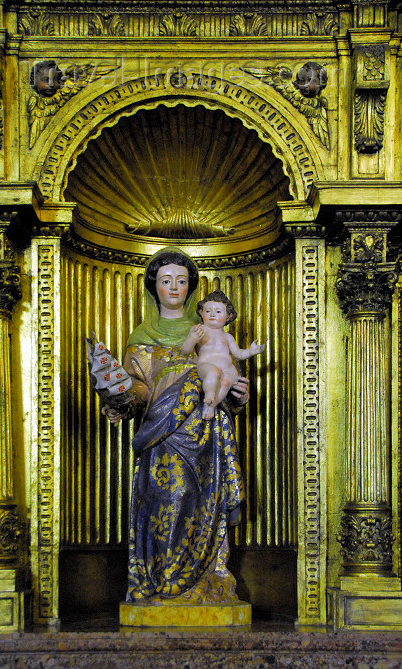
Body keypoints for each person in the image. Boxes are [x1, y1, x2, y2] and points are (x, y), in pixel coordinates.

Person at [103, 247, 250, 604]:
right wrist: (120, 401)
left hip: (206, 429)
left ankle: (203, 580)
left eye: (182, 282)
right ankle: (161, 581)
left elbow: (222, 372)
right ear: (154, 286)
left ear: (191, 289)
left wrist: (238, 395)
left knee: (205, 503)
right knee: (168, 500)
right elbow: (139, 385)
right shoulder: (142, 335)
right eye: (166, 281)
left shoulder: (206, 329)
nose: (173, 288)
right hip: (162, 433)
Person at [181, 290, 265, 420]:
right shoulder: (199, 330)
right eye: (208, 311)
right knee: (214, 373)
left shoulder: (228, 336)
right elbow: (186, 350)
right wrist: (191, 338)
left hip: (228, 369)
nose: (212, 314)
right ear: (201, 313)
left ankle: (211, 405)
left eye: (218, 312)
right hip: (206, 366)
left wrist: (250, 351)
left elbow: (238, 354)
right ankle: (209, 397)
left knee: (226, 383)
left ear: (228, 316)